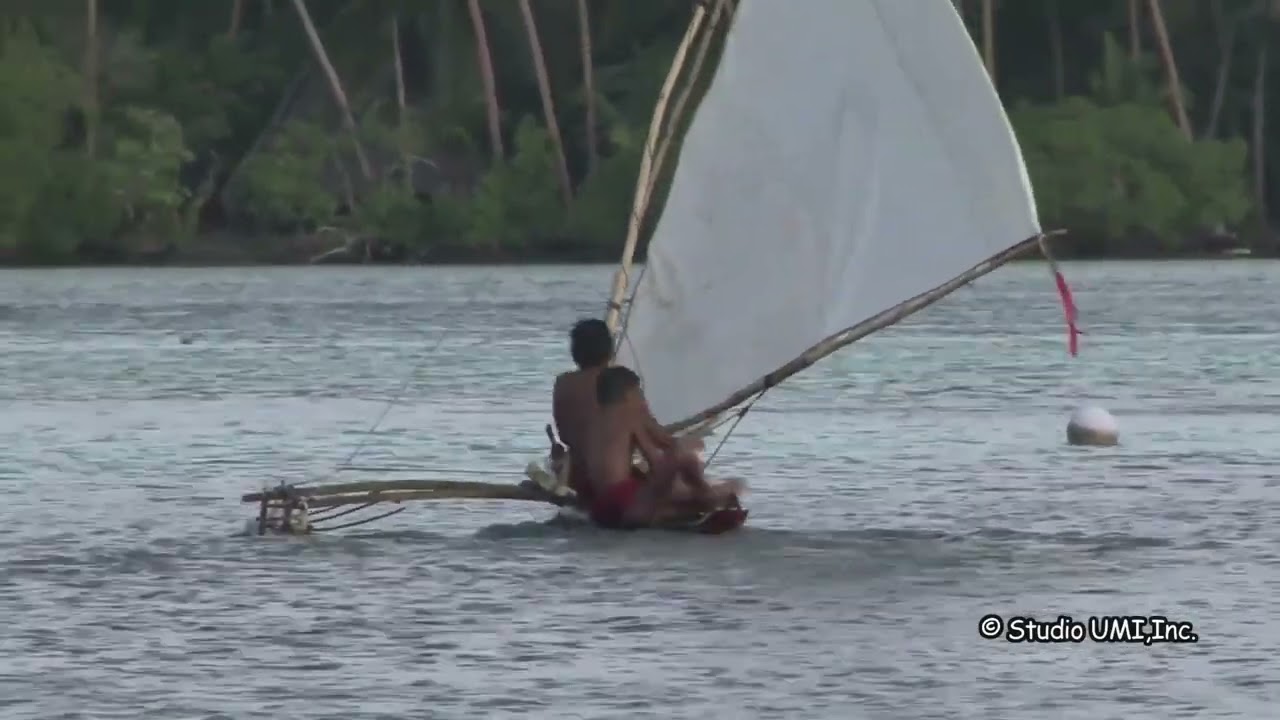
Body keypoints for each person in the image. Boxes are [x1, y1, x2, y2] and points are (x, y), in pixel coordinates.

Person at [582, 365, 741, 529]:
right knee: (685, 459)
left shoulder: (592, 421)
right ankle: (707, 498)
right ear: (629, 395)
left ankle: (683, 508)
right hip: (624, 498)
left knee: (654, 500)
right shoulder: (630, 414)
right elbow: (655, 459)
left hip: (600, 506)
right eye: (639, 394)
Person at [550, 318, 615, 504]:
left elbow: (564, 436)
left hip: (576, 475)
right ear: (609, 350)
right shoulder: (619, 382)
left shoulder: (562, 383)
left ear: (574, 352)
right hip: (610, 476)